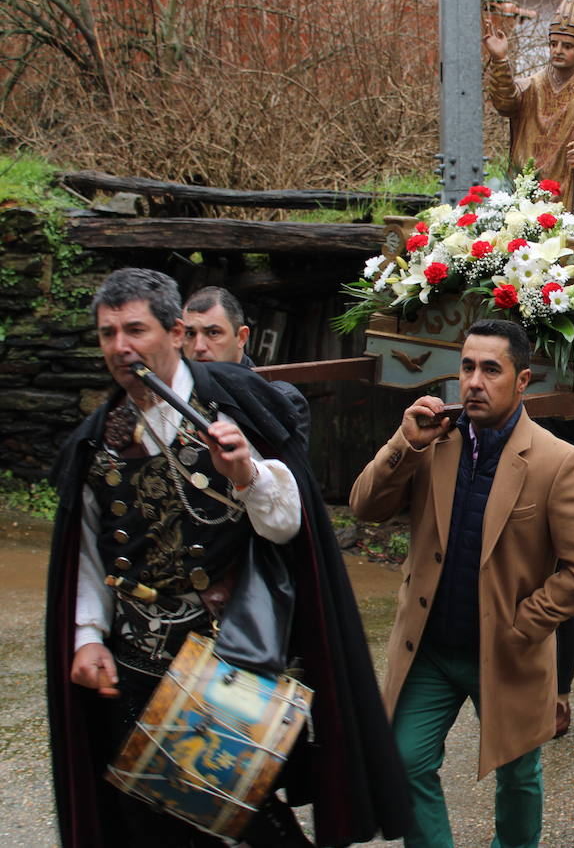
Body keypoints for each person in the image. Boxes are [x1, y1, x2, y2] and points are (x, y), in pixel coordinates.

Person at [46, 268, 409, 847]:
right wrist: (88, 635)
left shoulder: (239, 404)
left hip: (228, 661)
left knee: (246, 819)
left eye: (135, 330)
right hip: (136, 662)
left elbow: (290, 524)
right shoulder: (98, 439)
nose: (121, 347)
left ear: (173, 331)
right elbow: (90, 553)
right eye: (108, 333)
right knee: (146, 820)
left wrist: (245, 475)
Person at [349, 319, 574, 847]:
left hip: (509, 650)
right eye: (467, 367)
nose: (474, 381)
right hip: (431, 650)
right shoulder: (433, 439)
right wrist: (405, 444)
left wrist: (525, 624)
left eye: (491, 369)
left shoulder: (557, 461)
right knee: (403, 763)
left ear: (522, 381)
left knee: (518, 779)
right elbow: (365, 505)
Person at [483, 0, 574, 205]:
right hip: (526, 181)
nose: (557, 50)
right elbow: (506, 102)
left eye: (567, 46)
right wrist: (500, 61)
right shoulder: (535, 83)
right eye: (553, 44)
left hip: (563, 183)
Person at [182, 286, 311, 447]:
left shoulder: (281, 400)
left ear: (242, 337)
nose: (199, 346)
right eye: (190, 334)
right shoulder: (169, 392)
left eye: (213, 333)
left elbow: (285, 471)